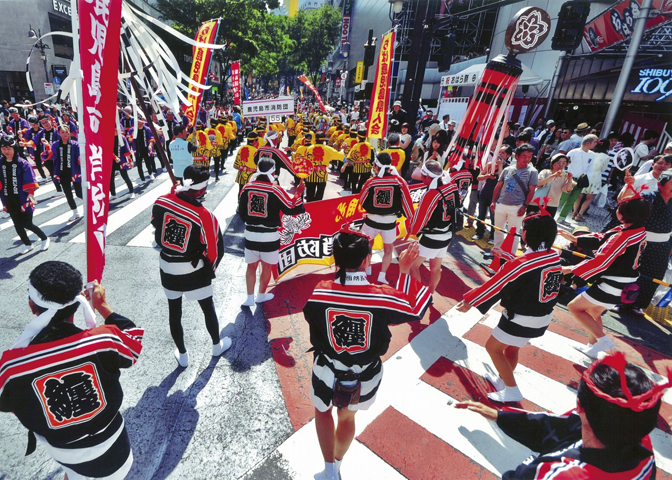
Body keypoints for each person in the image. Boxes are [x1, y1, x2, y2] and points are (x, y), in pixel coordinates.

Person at [304, 230, 432, 480]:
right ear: (366, 261)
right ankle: (337, 466)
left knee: (322, 411)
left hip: (326, 369)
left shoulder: (320, 292)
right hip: (365, 375)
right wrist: (404, 272)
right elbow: (415, 308)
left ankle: (329, 470)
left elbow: (313, 322)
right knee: (347, 417)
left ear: (336, 259)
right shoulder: (381, 296)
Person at [0, 262, 144, 479]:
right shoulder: (104, 339)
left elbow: (6, 403)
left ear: (32, 305)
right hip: (117, 450)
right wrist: (103, 305)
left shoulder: (13, 366)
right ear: (78, 303)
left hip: (67, 456)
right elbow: (134, 339)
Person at [457, 352, 669, 479]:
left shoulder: (559, 474)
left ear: (579, 406)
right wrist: (501, 416)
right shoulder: (641, 446)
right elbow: (555, 426)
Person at [456, 206, 562, 401]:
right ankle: (503, 380)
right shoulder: (554, 257)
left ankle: (512, 390)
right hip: (542, 318)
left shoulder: (521, 264)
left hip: (520, 318)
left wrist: (469, 301)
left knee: (493, 348)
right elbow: (531, 267)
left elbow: (495, 285)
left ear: (527, 233)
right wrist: (507, 257)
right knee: (512, 348)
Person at [151, 165, 231, 367]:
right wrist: (208, 271)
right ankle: (216, 345)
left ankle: (183, 355)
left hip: (167, 266)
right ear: (203, 189)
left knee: (174, 312)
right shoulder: (205, 215)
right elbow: (214, 252)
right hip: (193, 270)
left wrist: (174, 194)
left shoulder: (161, 202)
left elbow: (155, 224)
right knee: (207, 308)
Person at [559, 193, 650, 358]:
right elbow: (602, 237)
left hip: (612, 283)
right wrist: (575, 238)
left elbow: (601, 261)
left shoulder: (622, 236)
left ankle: (602, 340)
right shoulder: (638, 230)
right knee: (594, 312)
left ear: (624, 213)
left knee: (574, 307)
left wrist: (570, 269)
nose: (617, 209)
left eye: (620, 207)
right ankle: (593, 346)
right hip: (624, 283)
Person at [238, 157, 305, 306]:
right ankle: (260, 295)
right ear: (273, 171)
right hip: (270, 236)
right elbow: (290, 208)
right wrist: (299, 193)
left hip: (250, 234)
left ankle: (249, 298)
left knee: (251, 266)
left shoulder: (246, 187)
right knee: (266, 266)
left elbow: (240, 212)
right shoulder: (275, 190)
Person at [617, 169, 672, 316]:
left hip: (663, 245)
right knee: (631, 269)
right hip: (641, 240)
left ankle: (639, 304)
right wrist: (629, 186)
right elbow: (625, 204)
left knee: (654, 274)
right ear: (660, 184)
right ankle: (618, 300)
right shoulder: (648, 197)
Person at [359, 152, 414, 284]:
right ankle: (382, 275)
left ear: (376, 166)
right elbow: (407, 202)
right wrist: (410, 220)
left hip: (371, 221)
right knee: (388, 249)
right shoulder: (399, 181)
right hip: (390, 222)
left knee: (368, 245)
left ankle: (367, 268)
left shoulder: (371, 182)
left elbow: (361, 201)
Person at [408, 160, 460, 293]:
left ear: (427, 177)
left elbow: (416, 225)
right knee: (436, 268)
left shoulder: (430, 195)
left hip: (431, 238)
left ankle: (419, 296)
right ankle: (430, 294)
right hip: (447, 235)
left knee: (412, 266)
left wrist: (410, 229)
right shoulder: (452, 187)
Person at [0, 134, 49, 254]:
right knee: (17, 224)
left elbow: (30, 179)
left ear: (14, 148)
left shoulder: (22, 163)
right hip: (8, 197)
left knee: (27, 223)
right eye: (3, 148)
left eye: (9, 148)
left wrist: (31, 194)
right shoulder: (0, 162)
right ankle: (28, 244)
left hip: (24, 198)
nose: (6, 151)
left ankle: (44, 238)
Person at [490, 144, 538, 254]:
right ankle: (496, 252)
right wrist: (493, 201)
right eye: (524, 156)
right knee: (498, 230)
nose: (527, 159)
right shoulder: (507, 169)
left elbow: (531, 191)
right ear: (517, 156)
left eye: (530, 156)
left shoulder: (532, 172)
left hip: (517, 206)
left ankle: (509, 255)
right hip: (501, 204)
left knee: (514, 234)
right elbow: (499, 186)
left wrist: (525, 206)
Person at [556, 134, 598, 224]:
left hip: (581, 180)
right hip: (570, 178)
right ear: (588, 143)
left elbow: (590, 168)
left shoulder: (592, 155)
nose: (596, 144)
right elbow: (565, 165)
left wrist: (585, 178)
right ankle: (548, 214)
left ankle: (562, 218)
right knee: (562, 198)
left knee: (572, 199)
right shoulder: (573, 152)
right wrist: (566, 176)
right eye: (595, 142)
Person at [473, 146, 508, 241]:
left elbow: (503, 180)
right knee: (481, 215)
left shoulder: (507, 168)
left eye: (503, 153)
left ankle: (493, 237)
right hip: (485, 193)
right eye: (499, 152)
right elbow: (479, 177)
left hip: (496, 196)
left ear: (508, 155)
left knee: (494, 218)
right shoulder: (490, 165)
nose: (500, 155)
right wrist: (487, 175)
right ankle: (479, 233)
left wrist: (500, 166)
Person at [51, 125, 82, 221]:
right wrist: (48, 148)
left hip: (74, 172)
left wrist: (80, 158)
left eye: (66, 132)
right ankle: (75, 212)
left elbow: (79, 155)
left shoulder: (75, 144)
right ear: (59, 133)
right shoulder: (55, 145)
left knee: (79, 193)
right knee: (68, 194)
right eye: (62, 132)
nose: (65, 134)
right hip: (62, 172)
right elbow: (52, 156)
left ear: (69, 133)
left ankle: (91, 205)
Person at [304, 132, 343, 202]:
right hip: (322, 176)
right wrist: (342, 149)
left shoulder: (309, 148)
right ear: (324, 140)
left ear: (315, 139)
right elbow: (340, 156)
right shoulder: (328, 149)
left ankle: (309, 210)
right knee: (319, 196)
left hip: (310, 174)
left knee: (309, 195)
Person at [534, 153, 573, 218]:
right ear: (552, 163)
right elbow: (538, 183)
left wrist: (570, 180)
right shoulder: (545, 172)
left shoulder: (565, 176)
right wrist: (553, 176)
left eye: (564, 163)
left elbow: (567, 190)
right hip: (538, 202)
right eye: (558, 162)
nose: (561, 165)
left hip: (552, 204)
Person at [344, 129, 374, 194]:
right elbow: (372, 157)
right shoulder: (369, 145)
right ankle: (360, 191)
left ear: (358, 137)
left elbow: (349, 157)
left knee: (354, 182)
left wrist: (345, 165)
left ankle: (354, 193)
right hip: (367, 167)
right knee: (362, 182)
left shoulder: (356, 146)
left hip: (357, 167)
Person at [110, 132, 135, 200]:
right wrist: (115, 157)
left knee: (125, 176)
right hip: (111, 160)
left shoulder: (122, 137)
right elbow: (107, 149)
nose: (114, 130)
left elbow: (127, 150)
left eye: (116, 129)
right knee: (111, 179)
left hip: (121, 160)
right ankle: (113, 194)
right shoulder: (108, 137)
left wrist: (130, 161)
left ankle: (132, 192)